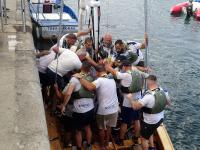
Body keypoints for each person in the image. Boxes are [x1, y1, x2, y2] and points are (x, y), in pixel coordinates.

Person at [73, 65, 119, 150]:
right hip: (114, 109)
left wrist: (79, 78)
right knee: (109, 127)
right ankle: (106, 143)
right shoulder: (112, 79)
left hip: (103, 110)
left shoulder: (100, 80)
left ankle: (102, 146)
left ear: (97, 73)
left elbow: (90, 87)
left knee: (101, 129)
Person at [105, 61, 149, 146]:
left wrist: (108, 65)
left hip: (127, 103)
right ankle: (136, 138)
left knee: (124, 122)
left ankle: (121, 139)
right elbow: (147, 76)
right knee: (137, 120)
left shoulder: (126, 75)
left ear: (124, 67)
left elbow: (114, 72)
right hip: (138, 101)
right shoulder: (137, 72)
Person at [127, 75, 171, 150]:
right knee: (150, 132)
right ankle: (151, 147)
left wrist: (131, 99)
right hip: (160, 119)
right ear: (155, 81)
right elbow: (169, 103)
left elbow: (135, 107)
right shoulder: (162, 90)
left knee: (143, 139)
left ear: (148, 83)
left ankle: (147, 147)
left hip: (149, 122)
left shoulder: (148, 96)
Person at [58, 61, 95, 150]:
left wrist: (63, 105)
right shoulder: (91, 78)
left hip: (79, 110)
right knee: (88, 127)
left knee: (78, 131)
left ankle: (79, 148)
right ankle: (89, 145)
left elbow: (68, 94)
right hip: (90, 108)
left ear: (81, 68)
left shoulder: (75, 79)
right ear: (89, 69)